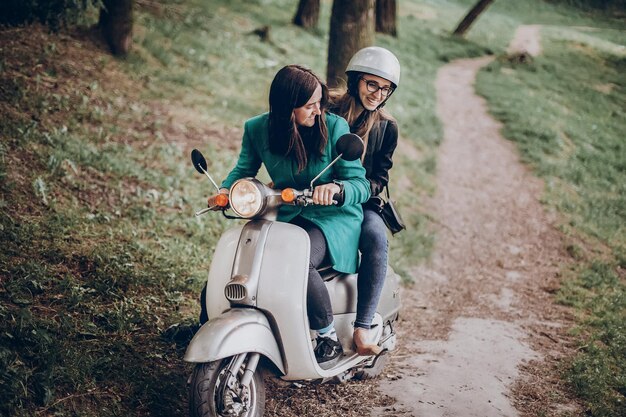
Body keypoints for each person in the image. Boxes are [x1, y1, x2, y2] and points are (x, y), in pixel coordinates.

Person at [208, 65, 371, 365]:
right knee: (239, 259)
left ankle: (327, 337)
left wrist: (336, 188)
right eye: (310, 106)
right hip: (284, 212)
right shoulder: (257, 129)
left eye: (320, 103)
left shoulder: (334, 127)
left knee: (298, 260)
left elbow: (361, 185)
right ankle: (210, 322)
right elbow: (243, 170)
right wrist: (225, 191)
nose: (318, 111)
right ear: (287, 107)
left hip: (332, 218)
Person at [329, 46, 401, 356]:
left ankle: (362, 327)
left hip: (361, 201)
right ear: (356, 80)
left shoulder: (387, 127)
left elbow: (380, 177)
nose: (377, 93)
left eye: (385, 89)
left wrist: (353, 191)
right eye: (372, 84)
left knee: (375, 237)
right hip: (317, 193)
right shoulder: (327, 108)